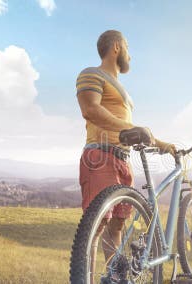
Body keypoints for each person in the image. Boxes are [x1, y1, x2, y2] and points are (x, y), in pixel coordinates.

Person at [75, 30, 176, 267]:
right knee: (95, 226)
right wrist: (131, 129)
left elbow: (130, 129)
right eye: (128, 47)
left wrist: (160, 143)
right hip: (100, 156)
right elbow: (90, 109)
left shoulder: (125, 94)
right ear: (117, 47)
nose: (131, 55)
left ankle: (114, 278)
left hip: (123, 160)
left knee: (117, 225)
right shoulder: (92, 74)